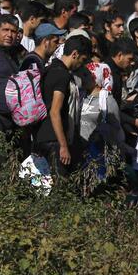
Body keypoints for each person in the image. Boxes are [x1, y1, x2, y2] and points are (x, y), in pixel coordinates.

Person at [36, 34, 92, 174]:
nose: (82, 65)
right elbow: (55, 111)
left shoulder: (49, 69)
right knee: (59, 187)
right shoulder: (63, 75)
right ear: (74, 54)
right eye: (83, 59)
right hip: (54, 140)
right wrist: (63, 146)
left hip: (40, 136)